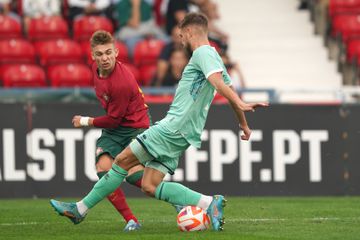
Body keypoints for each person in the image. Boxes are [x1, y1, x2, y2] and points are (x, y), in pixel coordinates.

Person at [50, 13, 268, 231]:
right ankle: (209, 203)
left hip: (173, 127)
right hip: (185, 133)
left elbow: (218, 84)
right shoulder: (214, 57)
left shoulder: (202, 52)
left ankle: (80, 209)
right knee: (149, 185)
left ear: (190, 32)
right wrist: (243, 123)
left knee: (121, 162)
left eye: (181, 35)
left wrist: (240, 104)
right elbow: (226, 87)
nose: (180, 40)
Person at [65, 30, 151, 231]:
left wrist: (84, 121)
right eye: (100, 54)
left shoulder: (121, 83)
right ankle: (132, 220)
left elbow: (113, 120)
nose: (105, 58)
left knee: (133, 175)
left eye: (108, 52)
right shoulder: (96, 68)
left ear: (117, 52)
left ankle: (179, 200)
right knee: (103, 168)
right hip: (117, 128)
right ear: (92, 56)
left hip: (134, 127)